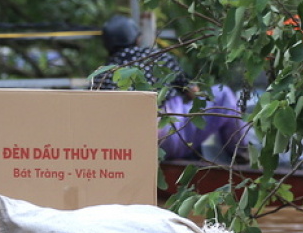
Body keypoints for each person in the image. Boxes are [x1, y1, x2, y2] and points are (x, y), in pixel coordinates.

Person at [92, 15, 251, 162]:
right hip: (166, 138)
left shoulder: (101, 75)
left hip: (125, 150)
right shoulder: (156, 57)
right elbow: (194, 93)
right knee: (223, 94)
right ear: (138, 39)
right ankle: (241, 156)